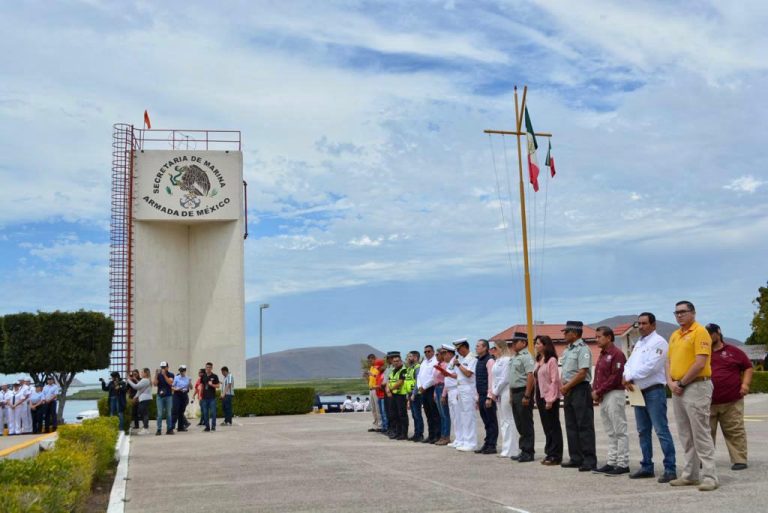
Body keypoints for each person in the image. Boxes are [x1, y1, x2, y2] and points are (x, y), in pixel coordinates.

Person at [667, 300, 718, 491]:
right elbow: (668, 362)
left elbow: (700, 362)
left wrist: (681, 383)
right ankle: (690, 475)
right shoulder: (675, 335)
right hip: (678, 388)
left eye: (683, 312)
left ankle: (710, 476)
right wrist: (671, 383)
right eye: (676, 312)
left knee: (701, 433)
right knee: (685, 434)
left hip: (696, 386)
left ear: (693, 313)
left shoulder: (700, 332)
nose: (679, 315)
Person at [623, 312, 677, 482]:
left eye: (644, 323)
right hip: (638, 391)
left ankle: (670, 468)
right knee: (642, 431)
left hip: (654, 391)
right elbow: (628, 363)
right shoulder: (639, 343)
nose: (641, 326)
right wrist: (626, 375)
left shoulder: (659, 342)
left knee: (661, 430)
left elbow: (652, 366)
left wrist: (631, 376)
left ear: (653, 325)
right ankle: (647, 466)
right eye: (639, 323)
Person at [707, 323, 752, 471]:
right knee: (706, 432)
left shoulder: (733, 351)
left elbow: (747, 367)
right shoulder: (702, 353)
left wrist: (745, 384)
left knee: (735, 430)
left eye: (710, 333)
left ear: (718, 333)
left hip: (732, 400)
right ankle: (705, 460)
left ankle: (739, 459)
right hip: (708, 401)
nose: (708, 336)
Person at [559, 320, 597, 471]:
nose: (564, 335)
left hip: (580, 389)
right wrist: (565, 386)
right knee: (571, 425)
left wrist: (567, 386)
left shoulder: (583, 349)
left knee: (584, 425)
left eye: (566, 332)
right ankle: (576, 457)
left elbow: (582, 373)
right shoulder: (567, 350)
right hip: (569, 390)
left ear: (574, 333)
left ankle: (589, 459)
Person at [591, 326, 629, 476]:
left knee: (620, 430)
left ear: (609, 337)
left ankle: (623, 463)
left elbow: (615, 377)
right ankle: (611, 461)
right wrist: (595, 391)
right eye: (596, 336)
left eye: (599, 337)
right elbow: (598, 375)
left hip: (614, 394)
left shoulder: (617, 354)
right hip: (604, 395)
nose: (597, 339)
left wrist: (598, 391)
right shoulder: (602, 354)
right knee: (610, 431)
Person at [534, 335, 563, 465]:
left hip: (549, 397)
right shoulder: (539, 359)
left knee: (553, 426)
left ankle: (556, 455)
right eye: (536, 343)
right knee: (546, 426)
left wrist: (550, 399)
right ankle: (549, 452)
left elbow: (554, 380)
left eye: (538, 343)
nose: (536, 345)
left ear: (546, 345)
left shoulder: (551, 360)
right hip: (540, 396)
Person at [509, 333, 536, 462]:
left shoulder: (526, 357)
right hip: (515, 392)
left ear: (524, 343)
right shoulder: (515, 357)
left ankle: (529, 452)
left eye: (516, 342)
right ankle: (523, 449)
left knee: (526, 423)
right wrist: (510, 395)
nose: (513, 344)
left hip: (522, 391)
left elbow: (530, 376)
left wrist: (527, 395)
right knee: (519, 423)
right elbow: (512, 378)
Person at [489, 340, 515, 459]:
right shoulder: (497, 361)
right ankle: (506, 448)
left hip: (505, 391)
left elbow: (505, 378)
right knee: (503, 421)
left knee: (508, 420)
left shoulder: (507, 360)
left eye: (495, 348)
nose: (493, 350)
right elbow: (494, 378)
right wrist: (494, 392)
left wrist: (495, 392)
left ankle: (511, 449)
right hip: (498, 392)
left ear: (501, 348)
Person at [453, 338, 478, 452]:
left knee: (469, 415)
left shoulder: (472, 358)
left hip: (469, 389)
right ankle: (465, 440)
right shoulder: (463, 359)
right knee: (463, 415)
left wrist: (458, 365)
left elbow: (468, 373)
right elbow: (459, 377)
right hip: (461, 389)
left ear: (465, 347)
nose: (458, 352)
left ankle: (471, 442)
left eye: (459, 349)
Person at [474, 339, 498, 455]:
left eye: (478, 346)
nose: (476, 348)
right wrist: (477, 397)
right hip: (481, 395)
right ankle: (487, 443)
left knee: (491, 421)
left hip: (488, 396)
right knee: (486, 422)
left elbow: (491, 380)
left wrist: (490, 396)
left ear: (485, 348)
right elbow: (477, 380)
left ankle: (492, 445)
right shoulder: (479, 361)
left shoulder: (490, 361)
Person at [417, 345, 441, 444]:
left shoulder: (435, 362)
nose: (427, 353)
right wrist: (419, 386)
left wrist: (424, 386)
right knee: (428, 414)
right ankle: (431, 435)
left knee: (434, 414)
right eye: (425, 352)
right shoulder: (423, 362)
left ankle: (437, 435)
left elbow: (433, 377)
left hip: (431, 389)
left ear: (433, 351)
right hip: (423, 390)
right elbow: (419, 376)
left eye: (429, 351)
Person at [436, 344, 458, 446]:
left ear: (449, 353)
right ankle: (456, 438)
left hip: (455, 390)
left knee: (453, 416)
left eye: (444, 353)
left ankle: (447, 436)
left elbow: (457, 377)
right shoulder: (449, 364)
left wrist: (443, 394)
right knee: (452, 416)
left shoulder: (454, 362)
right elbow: (447, 380)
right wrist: (444, 394)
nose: (442, 355)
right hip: (448, 390)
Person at [386, 353, 408, 440]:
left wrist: (390, 389)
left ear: (401, 361)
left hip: (400, 395)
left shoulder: (403, 370)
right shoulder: (393, 370)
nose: (395, 363)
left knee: (402, 415)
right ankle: (398, 432)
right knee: (394, 415)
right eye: (394, 361)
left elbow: (400, 382)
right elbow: (389, 380)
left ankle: (404, 433)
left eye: (397, 361)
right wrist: (387, 389)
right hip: (393, 395)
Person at [127, 368, 153, 434]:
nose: (141, 373)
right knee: (143, 413)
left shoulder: (145, 380)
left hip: (144, 399)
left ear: (145, 373)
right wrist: (135, 397)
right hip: (144, 398)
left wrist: (129, 380)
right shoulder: (146, 380)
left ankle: (145, 428)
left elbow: (136, 387)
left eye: (142, 372)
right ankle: (145, 427)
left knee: (143, 413)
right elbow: (140, 389)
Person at [405, 351, 423, 441]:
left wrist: (414, 394)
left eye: (410, 356)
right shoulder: (409, 368)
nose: (409, 358)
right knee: (414, 415)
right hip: (409, 394)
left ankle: (419, 434)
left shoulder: (417, 367)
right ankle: (416, 433)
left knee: (417, 415)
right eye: (408, 356)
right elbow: (407, 382)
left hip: (415, 394)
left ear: (415, 358)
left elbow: (417, 381)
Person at [153, 361, 175, 435]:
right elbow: (155, 384)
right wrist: (156, 374)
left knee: (168, 413)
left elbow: (170, 383)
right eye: (161, 367)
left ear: (167, 367)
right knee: (159, 414)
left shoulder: (171, 374)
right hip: (160, 396)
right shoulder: (158, 375)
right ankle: (159, 429)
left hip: (168, 396)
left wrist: (164, 375)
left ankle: (169, 429)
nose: (162, 369)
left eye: (164, 367)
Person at [364, 354, 382, 432]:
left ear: (374, 359)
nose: (370, 362)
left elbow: (379, 377)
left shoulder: (378, 368)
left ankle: (380, 425)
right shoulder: (371, 368)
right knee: (373, 409)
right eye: (369, 361)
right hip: (370, 389)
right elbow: (370, 379)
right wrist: (367, 377)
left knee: (378, 408)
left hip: (376, 389)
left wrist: (372, 374)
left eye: (371, 360)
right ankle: (375, 425)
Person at [201, 362, 220, 432]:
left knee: (213, 413)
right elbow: (202, 386)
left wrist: (212, 385)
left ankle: (213, 426)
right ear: (205, 368)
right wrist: (200, 395)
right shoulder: (203, 376)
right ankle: (207, 427)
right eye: (207, 367)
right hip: (204, 398)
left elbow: (218, 386)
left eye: (209, 367)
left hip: (212, 398)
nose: (208, 368)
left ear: (211, 368)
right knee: (205, 413)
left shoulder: (215, 376)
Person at [172, 365, 191, 432]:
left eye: (183, 371)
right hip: (177, 394)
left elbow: (190, 387)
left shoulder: (188, 378)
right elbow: (172, 386)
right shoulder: (176, 377)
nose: (181, 372)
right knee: (175, 410)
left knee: (181, 411)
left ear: (185, 371)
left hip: (184, 394)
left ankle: (180, 427)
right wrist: (176, 389)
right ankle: (171, 426)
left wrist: (190, 382)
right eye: (180, 371)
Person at [373, 358, 388, 433]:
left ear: (382, 366)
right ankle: (384, 426)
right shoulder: (379, 373)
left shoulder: (385, 373)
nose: (378, 369)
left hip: (383, 395)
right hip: (379, 395)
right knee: (381, 412)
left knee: (384, 412)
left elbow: (384, 384)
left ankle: (386, 427)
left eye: (378, 367)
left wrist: (376, 387)